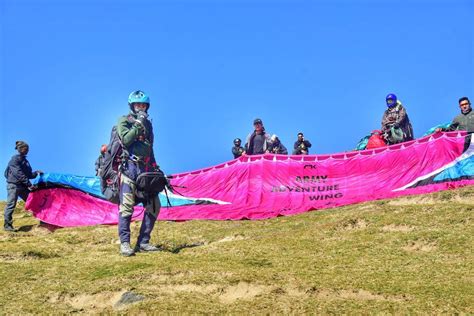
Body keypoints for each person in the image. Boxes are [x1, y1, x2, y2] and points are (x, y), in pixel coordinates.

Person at [116, 90, 161, 257]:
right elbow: (126, 140)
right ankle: (125, 244)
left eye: (143, 105)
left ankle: (143, 242)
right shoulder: (124, 120)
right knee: (126, 207)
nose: (141, 107)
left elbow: (150, 147)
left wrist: (156, 168)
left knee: (154, 205)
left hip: (146, 171)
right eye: (138, 105)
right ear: (132, 106)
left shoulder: (149, 124)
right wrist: (138, 124)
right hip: (129, 170)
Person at [3, 141, 43, 232]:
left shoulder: (25, 161)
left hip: (22, 186)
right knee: (11, 205)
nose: (27, 150)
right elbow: (18, 173)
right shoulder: (14, 159)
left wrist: (36, 173)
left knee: (33, 202)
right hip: (13, 185)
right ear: (20, 149)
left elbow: (29, 175)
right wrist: (29, 184)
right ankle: (7, 226)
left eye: (28, 149)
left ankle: (43, 220)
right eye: (26, 148)